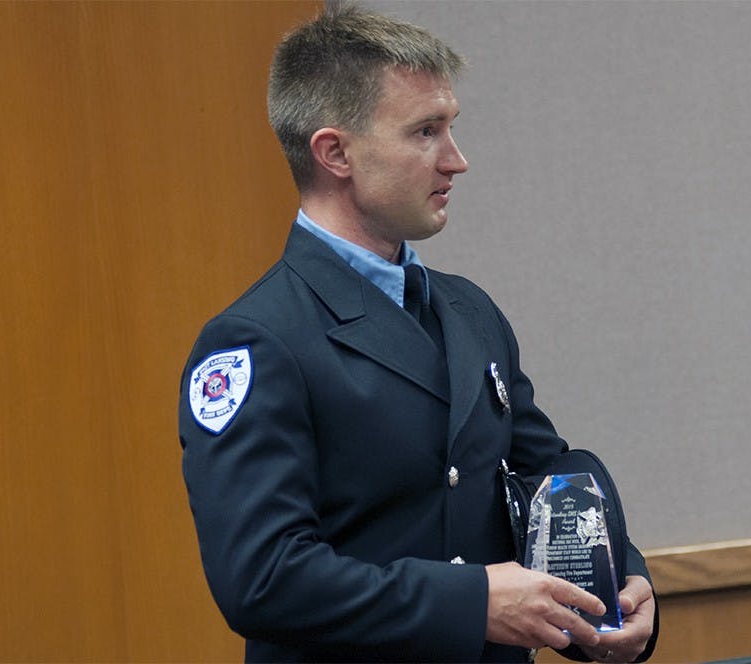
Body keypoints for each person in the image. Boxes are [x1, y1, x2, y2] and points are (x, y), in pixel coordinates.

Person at [179, 4, 658, 662]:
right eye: (426, 132)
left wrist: (620, 588)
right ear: (335, 152)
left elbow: (546, 473)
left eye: (450, 128)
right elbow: (262, 579)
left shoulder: (469, 310)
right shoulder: (256, 343)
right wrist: (473, 602)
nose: (456, 161)